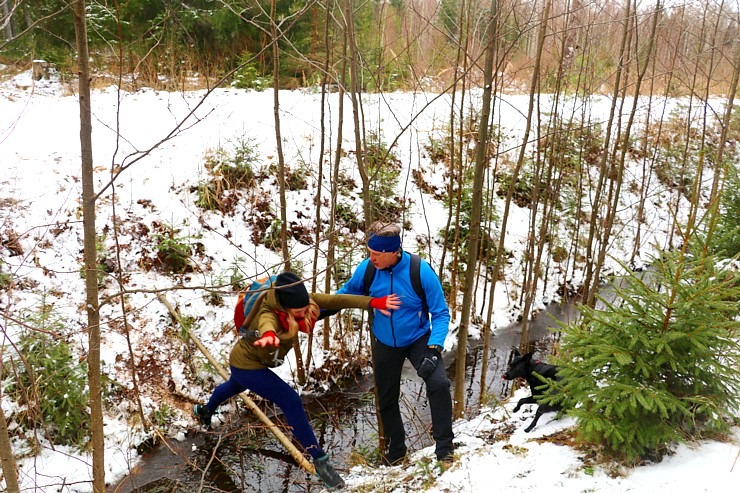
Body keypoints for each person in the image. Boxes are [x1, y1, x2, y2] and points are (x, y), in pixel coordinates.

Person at [193, 271, 400, 490]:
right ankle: (320, 461)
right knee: (290, 400)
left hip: (248, 362)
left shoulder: (301, 301)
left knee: (234, 386)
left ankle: (206, 411)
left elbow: (337, 299)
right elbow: (267, 322)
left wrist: (374, 302)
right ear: (285, 307)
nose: (304, 315)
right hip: (247, 364)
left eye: (305, 310)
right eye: (299, 313)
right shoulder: (268, 311)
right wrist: (269, 335)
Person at [336, 221, 454, 466]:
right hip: (385, 342)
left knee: (439, 383)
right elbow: (347, 293)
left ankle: (445, 449)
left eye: (377, 254)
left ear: (393, 252)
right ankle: (397, 452)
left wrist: (434, 349)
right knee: (387, 398)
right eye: (369, 253)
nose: (372, 259)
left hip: (418, 339)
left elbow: (441, 313)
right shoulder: (367, 270)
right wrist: (316, 307)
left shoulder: (420, 272)